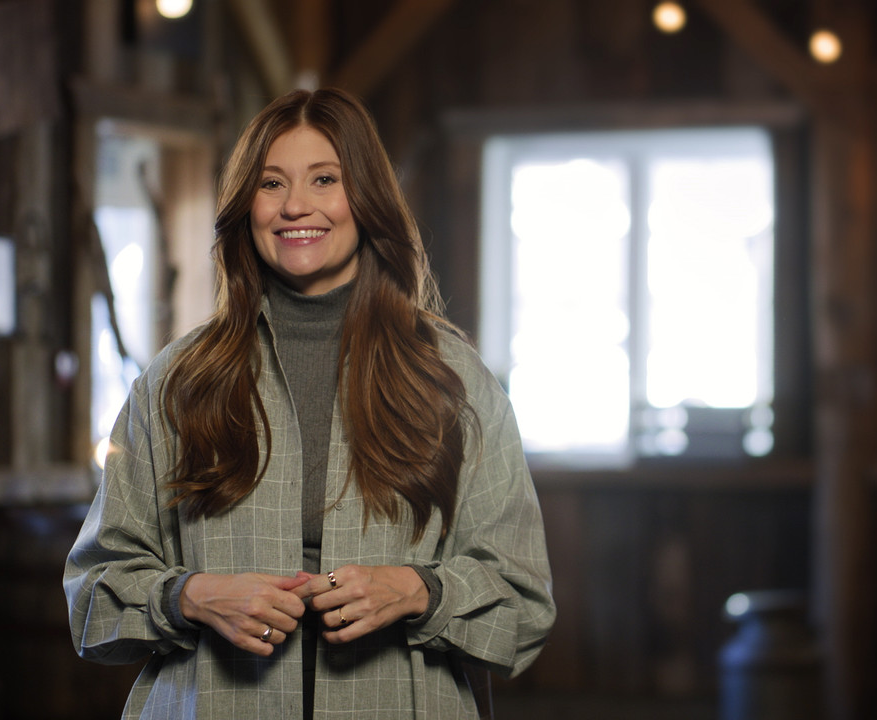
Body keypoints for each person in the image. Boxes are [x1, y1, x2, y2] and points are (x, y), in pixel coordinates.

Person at [64, 87, 555, 720]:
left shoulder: (450, 378)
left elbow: (524, 606)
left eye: (325, 179)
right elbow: (91, 599)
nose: (296, 205)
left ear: (367, 199)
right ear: (247, 206)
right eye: (271, 184)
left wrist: (419, 591)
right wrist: (193, 596)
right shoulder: (179, 379)